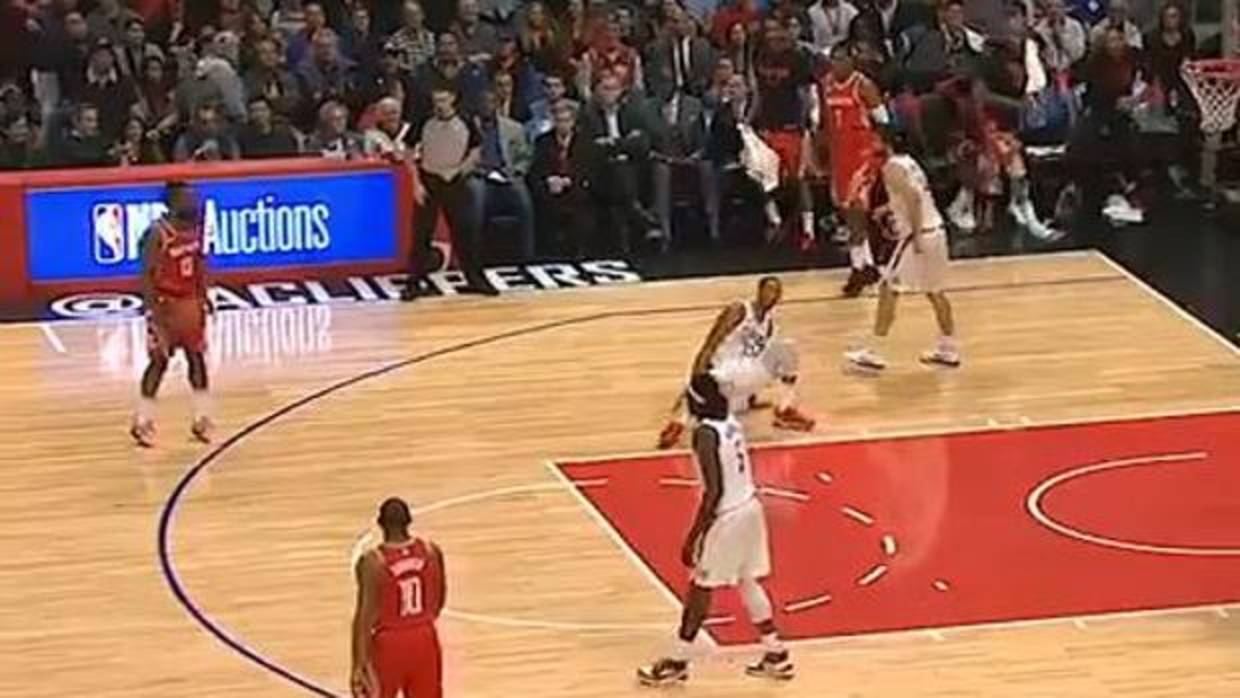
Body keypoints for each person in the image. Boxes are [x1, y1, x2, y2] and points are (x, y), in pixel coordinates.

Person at [638, 373, 794, 686]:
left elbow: (714, 491)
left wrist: (695, 533)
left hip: (728, 515)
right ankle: (775, 652)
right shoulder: (730, 421)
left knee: (700, 588)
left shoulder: (706, 434)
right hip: (750, 506)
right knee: (747, 580)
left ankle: (677, 661)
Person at [844, 128, 960, 372]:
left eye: (876, 140)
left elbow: (914, 199)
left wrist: (915, 236)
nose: (872, 144)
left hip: (919, 235)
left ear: (886, 143)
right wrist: (887, 209)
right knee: (935, 292)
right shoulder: (909, 162)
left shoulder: (892, 167)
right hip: (936, 230)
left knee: (888, 288)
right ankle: (948, 349)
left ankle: (874, 352)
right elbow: (913, 195)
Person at [657, 276, 815, 449]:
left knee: (786, 350)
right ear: (759, 291)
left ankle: (784, 410)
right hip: (719, 370)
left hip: (739, 376)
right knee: (700, 405)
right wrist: (697, 370)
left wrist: (753, 390)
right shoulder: (740, 310)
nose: (773, 295)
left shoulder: (769, 325)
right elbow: (711, 341)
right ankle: (677, 424)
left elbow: (755, 359)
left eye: (777, 292)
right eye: (769, 290)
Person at [131, 181, 214, 447]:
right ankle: (143, 421)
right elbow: (146, 275)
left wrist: (204, 295)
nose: (195, 201)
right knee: (159, 362)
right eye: (189, 197)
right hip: (165, 304)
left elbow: (200, 263)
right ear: (173, 202)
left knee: (197, 359)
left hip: (189, 303)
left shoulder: (196, 228)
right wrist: (152, 311)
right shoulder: (157, 233)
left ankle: (202, 418)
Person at [406, 86, 498, 300]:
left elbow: (476, 149)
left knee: (465, 232)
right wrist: (416, 184)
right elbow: (408, 151)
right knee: (421, 234)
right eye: (436, 100)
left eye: (443, 100)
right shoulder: (424, 121)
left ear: (453, 99)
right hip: (429, 179)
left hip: (455, 181)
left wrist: (461, 170)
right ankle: (414, 281)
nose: (439, 105)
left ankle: (475, 279)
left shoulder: (465, 121)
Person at [350, 497, 445, 698]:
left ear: (380, 524)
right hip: (425, 638)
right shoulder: (431, 551)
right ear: (409, 521)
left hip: (389, 643)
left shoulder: (373, 561)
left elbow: (364, 619)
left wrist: (359, 665)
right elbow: (439, 601)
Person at [819, 42, 884, 297]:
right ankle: (868, 266)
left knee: (856, 212)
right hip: (839, 156)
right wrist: (822, 152)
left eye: (841, 59)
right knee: (847, 211)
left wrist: (882, 153)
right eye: (833, 60)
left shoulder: (863, 85)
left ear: (851, 61)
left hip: (862, 156)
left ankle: (857, 270)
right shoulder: (826, 84)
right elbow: (824, 121)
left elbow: (884, 121)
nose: (836, 64)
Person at [529, 99, 595, 257]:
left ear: (573, 122)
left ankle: (579, 253)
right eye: (558, 120)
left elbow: (589, 170)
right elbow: (536, 170)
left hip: (576, 190)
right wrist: (549, 180)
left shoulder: (585, 141)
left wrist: (569, 181)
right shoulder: (542, 141)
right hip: (550, 191)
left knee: (581, 204)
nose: (562, 125)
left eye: (566, 120)